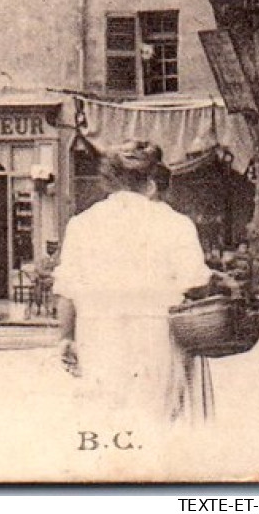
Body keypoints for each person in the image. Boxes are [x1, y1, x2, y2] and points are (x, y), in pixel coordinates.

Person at [55, 140, 213, 424]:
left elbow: (67, 290)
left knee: (106, 420)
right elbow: (196, 283)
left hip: (98, 335)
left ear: (110, 180)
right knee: (155, 421)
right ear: (152, 184)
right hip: (158, 337)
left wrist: (66, 338)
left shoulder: (81, 224)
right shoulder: (176, 223)